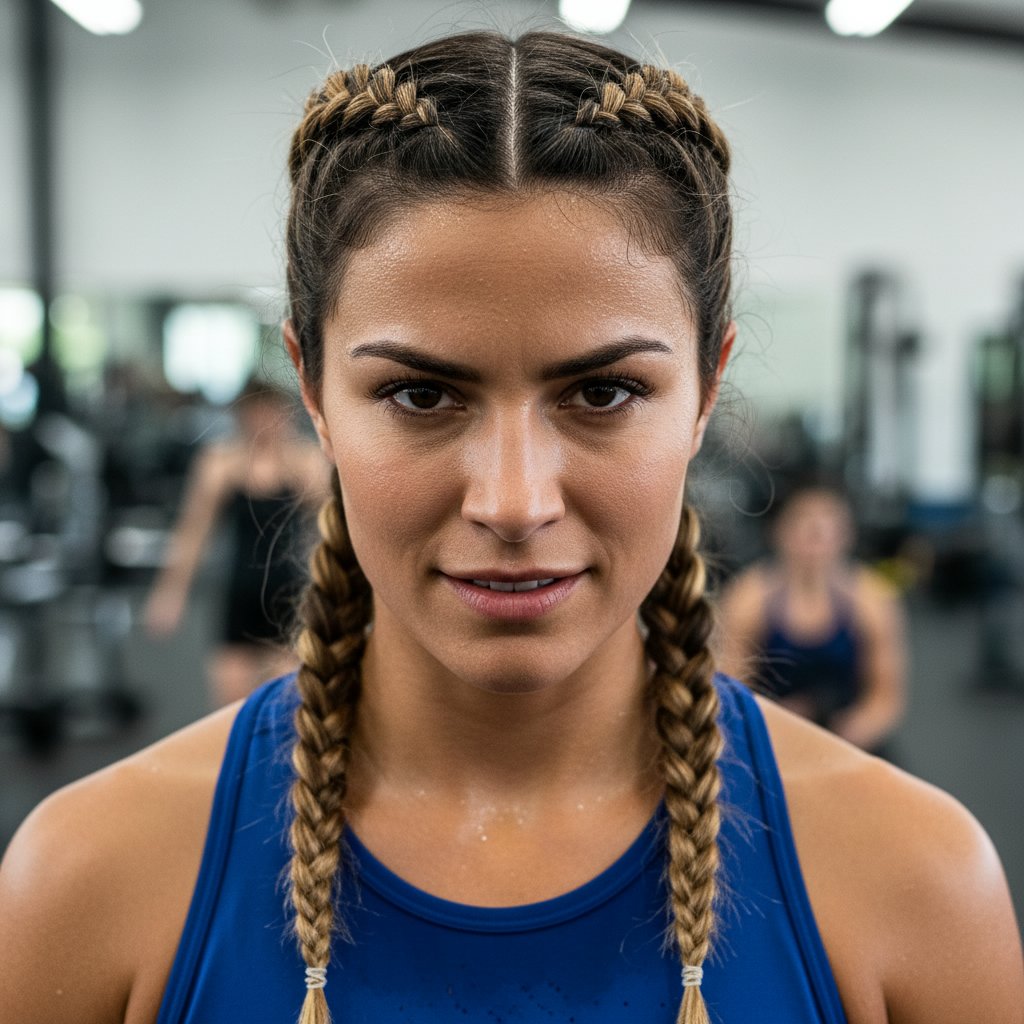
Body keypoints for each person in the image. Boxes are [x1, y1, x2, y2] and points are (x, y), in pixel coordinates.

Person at [1, 29, 1021, 1024]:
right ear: (311, 388)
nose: (513, 501)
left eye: (605, 392)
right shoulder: (89, 881)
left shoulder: (916, 886)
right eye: (418, 395)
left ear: (707, 390)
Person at [143, 379, 328, 704]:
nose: (263, 421)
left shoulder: (305, 463)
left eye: (270, 412)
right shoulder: (221, 464)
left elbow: (332, 530)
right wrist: (169, 593)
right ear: (243, 415)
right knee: (230, 716)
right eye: (255, 412)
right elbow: (193, 533)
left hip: (287, 598)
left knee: (283, 717)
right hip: (238, 598)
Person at [717, 485, 906, 754]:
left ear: (846, 533)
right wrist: (778, 728)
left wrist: (849, 733)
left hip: (848, 740)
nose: (816, 529)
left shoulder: (872, 598)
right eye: (804, 518)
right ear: (779, 531)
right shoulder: (748, 598)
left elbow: (885, 697)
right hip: (770, 734)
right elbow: (729, 692)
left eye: (828, 518)